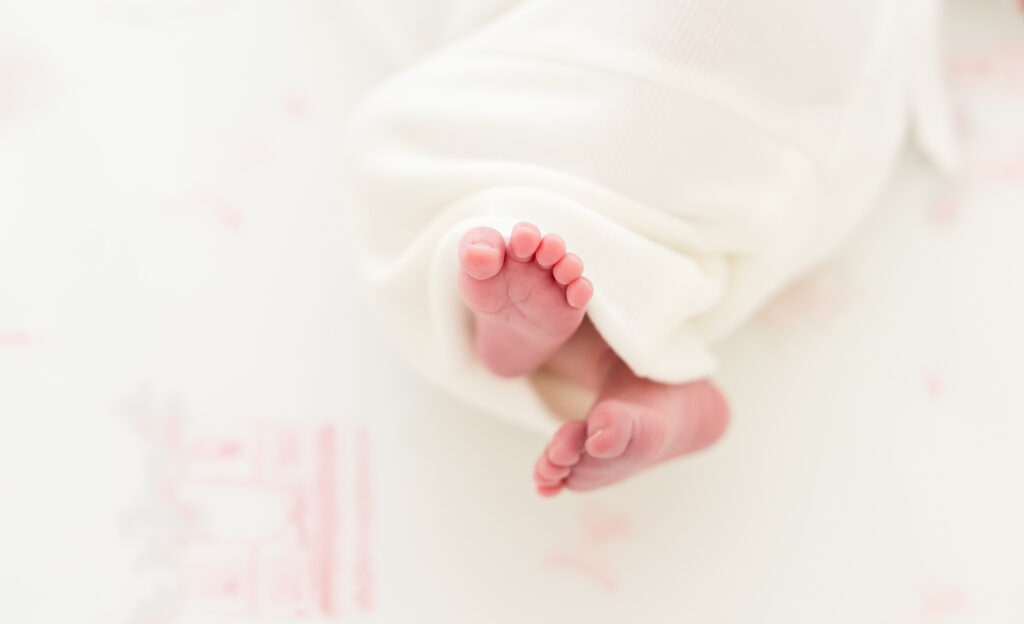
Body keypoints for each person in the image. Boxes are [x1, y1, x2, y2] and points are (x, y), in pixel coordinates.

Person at [340, 0, 957, 495]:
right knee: (616, 144)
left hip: (749, 80)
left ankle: (563, 342)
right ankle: (609, 353)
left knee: (482, 144)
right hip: (789, 127)